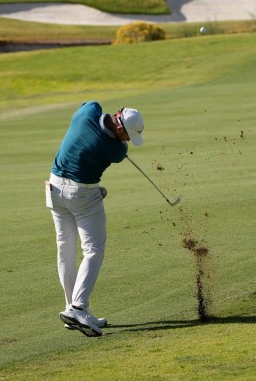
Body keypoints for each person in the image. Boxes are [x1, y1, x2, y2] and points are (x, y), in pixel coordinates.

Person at [47, 101, 145, 337]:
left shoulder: (90, 110)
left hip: (53, 188)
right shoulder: (117, 151)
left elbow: (87, 108)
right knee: (93, 250)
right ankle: (78, 308)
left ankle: (72, 310)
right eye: (128, 135)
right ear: (120, 129)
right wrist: (117, 138)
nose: (129, 141)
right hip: (82, 195)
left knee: (66, 249)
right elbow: (117, 146)